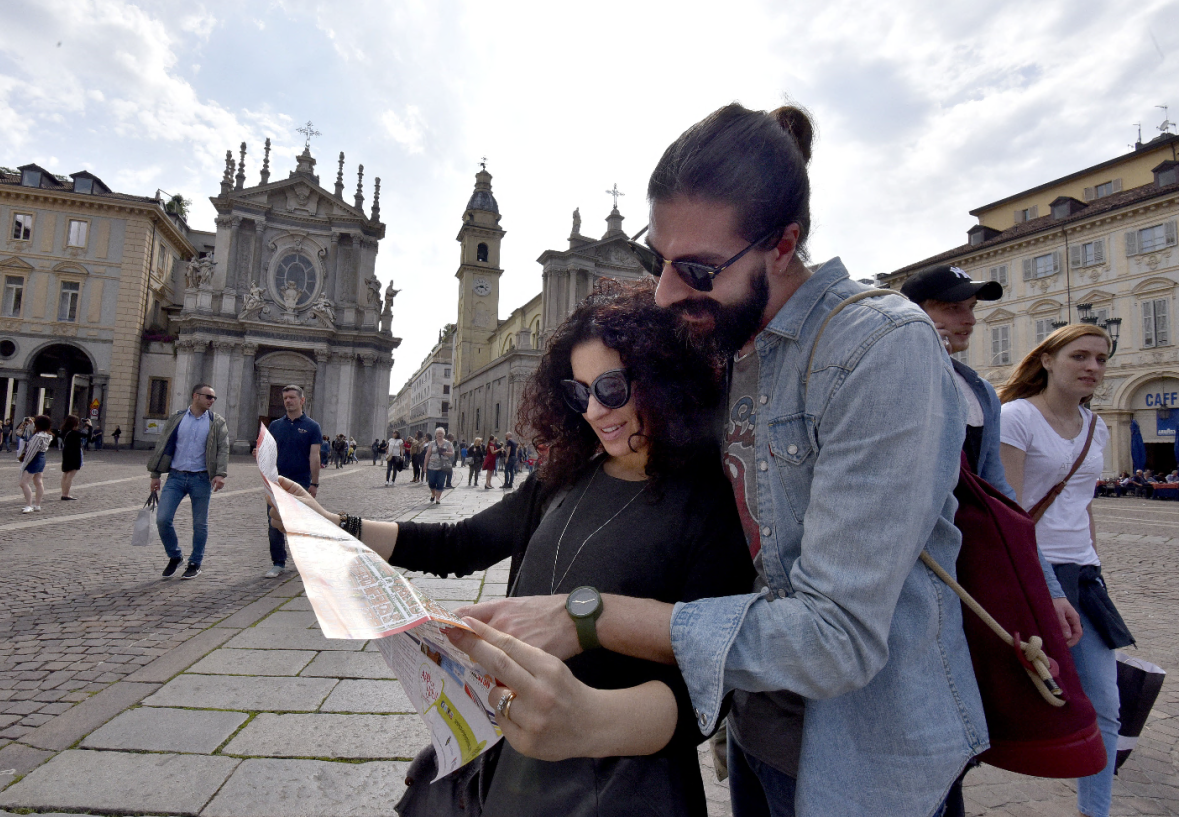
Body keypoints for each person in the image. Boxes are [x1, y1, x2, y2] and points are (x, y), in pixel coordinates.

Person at [457, 103, 988, 816]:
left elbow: (835, 637)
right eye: (658, 260)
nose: (668, 290)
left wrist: (590, 615)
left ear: (783, 244)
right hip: (758, 740)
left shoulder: (879, 348)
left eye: (699, 268)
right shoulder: (727, 339)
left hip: (869, 765)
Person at [271, 286, 753, 815]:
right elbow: (459, 545)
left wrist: (586, 719)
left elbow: (708, 687)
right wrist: (339, 525)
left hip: (622, 785)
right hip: (512, 765)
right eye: (580, 392)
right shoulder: (562, 479)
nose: (595, 410)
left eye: (612, 387)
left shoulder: (712, 504)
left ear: (666, 379)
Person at [903, 264, 1081, 813]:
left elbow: (1004, 499)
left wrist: (1046, 587)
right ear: (917, 313)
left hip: (969, 573)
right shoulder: (892, 376)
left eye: (971, 308)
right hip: (911, 576)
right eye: (954, 307)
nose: (969, 319)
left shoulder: (978, 388)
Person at [999, 325, 1121, 817]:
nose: (1092, 367)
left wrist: (1094, 562)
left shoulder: (1099, 426)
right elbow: (1008, 509)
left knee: (1105, 703)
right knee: (1010, 693)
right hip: (1032, 573)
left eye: (1101, 359)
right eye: (1080, 356)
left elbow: (1082, 503)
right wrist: (1038, 582)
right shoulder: (1017, 417)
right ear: (1047, 359)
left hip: (1083, 576)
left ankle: (1097, 812)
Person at [147, 383, 230, 579]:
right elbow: (162, 445)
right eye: (208, 397)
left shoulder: (216, 422)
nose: (212, 401)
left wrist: (220, 473)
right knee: (162, 519)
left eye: (213, 398)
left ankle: (195, 562)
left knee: (200, 523)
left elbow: (223, 448)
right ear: (195, 396)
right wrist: (155, 475)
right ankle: (175, 556)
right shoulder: (177, 418)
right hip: (175, 476)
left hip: (201, 478)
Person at [253, 384, 320, 578]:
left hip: (301, 482)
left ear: (302, 400)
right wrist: (258, 454)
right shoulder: (275, 426)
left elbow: (314, 456)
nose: (288, 401)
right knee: (274, 523)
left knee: (300, 524)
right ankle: (278, 562)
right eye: (285, 398)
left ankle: (304, 562)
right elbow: (268, 451)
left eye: (291, 397)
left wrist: (314, 483)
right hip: (276, 482)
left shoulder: (312, 426)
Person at [18, 415, 53, 512]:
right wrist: (31, 423)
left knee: (23, 482)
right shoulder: (47, 435)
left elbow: (31, 451)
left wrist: (24, 463)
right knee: (38, 482)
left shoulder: (38, 436)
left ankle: (29, 505)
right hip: (41, 458)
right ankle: (37, 504)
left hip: (34, 459)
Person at [421, 427, 455, 504]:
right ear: (435, 435)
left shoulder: (448, 443)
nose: (440, 435)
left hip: (443, 466)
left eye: (441, 433)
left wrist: (445, 453)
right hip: (432, 466)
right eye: (438, 433)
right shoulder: (432, 443)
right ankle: (433, 493)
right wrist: (425, 465)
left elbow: (451, 453)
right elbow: (427, 455)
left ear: (444, 434)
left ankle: (438, 498)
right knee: (431, 482)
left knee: (440, 482)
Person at [58, 414, 84, 501]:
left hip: (66, 452)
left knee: (65, 474)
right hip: (75, 453)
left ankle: (63, 493)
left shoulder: (64, 431)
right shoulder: (75, 433)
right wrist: (90, 427)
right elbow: (89, 436)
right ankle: (66, 494)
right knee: (71, 474)